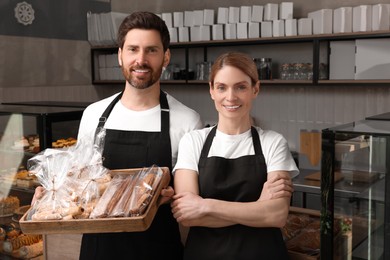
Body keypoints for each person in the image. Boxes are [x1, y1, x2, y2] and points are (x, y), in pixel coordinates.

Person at [31, 11, 202, 260]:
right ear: (120, 55)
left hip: (157, 247)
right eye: (133, 49)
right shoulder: (94, 114)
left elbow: (190, 198)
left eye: (151, 50)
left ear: (165, 57)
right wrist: (52, 194)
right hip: (100, 249)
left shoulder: (187, 120)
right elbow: (80, 181)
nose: (140, 60)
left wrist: (168, 196)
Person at [170, 52, 299, 260]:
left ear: (255, 89)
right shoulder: (193, 142)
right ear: (211, 90)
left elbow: (276, 215)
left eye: (240, 87)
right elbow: (187, 216)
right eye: (222, 87)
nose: (230, 97)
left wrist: (205, 205)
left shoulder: (273, 143)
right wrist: (258, 208)